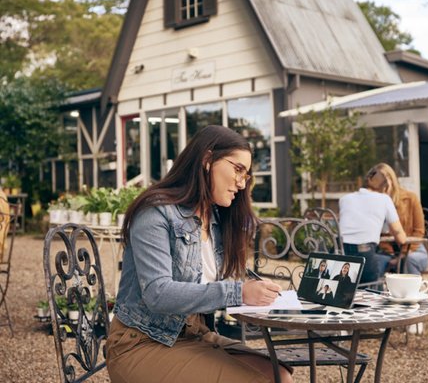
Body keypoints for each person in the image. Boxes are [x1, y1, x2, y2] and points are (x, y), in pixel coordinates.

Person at [106, 125, 293, 383]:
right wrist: (238, 292)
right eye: (237, 169)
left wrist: (258, 290)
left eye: (246, 175)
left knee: (281, 375)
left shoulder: (215, 218)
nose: (242, 183)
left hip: (195, 335)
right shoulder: (156, 213)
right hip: (141, 342)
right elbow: (157, 293)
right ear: (207, 160)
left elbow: (213, 282)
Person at [339, 165, 407, 284]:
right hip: (364, 255)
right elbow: (400, 236)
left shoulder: (345, 199)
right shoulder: (385, 199)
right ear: (385, 187)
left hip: (340, 254)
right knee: (375, 287)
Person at [374, 163, 428, 275]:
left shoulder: (410, 198)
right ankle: (377, 292)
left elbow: (419, 232)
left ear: (391, 179)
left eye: (383, 179)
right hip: (386, 251)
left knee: (409, 260)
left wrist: (403, 255)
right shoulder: (374, 202)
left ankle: (411, 292)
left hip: (413, 249)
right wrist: (390, 254)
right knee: (374, 262)